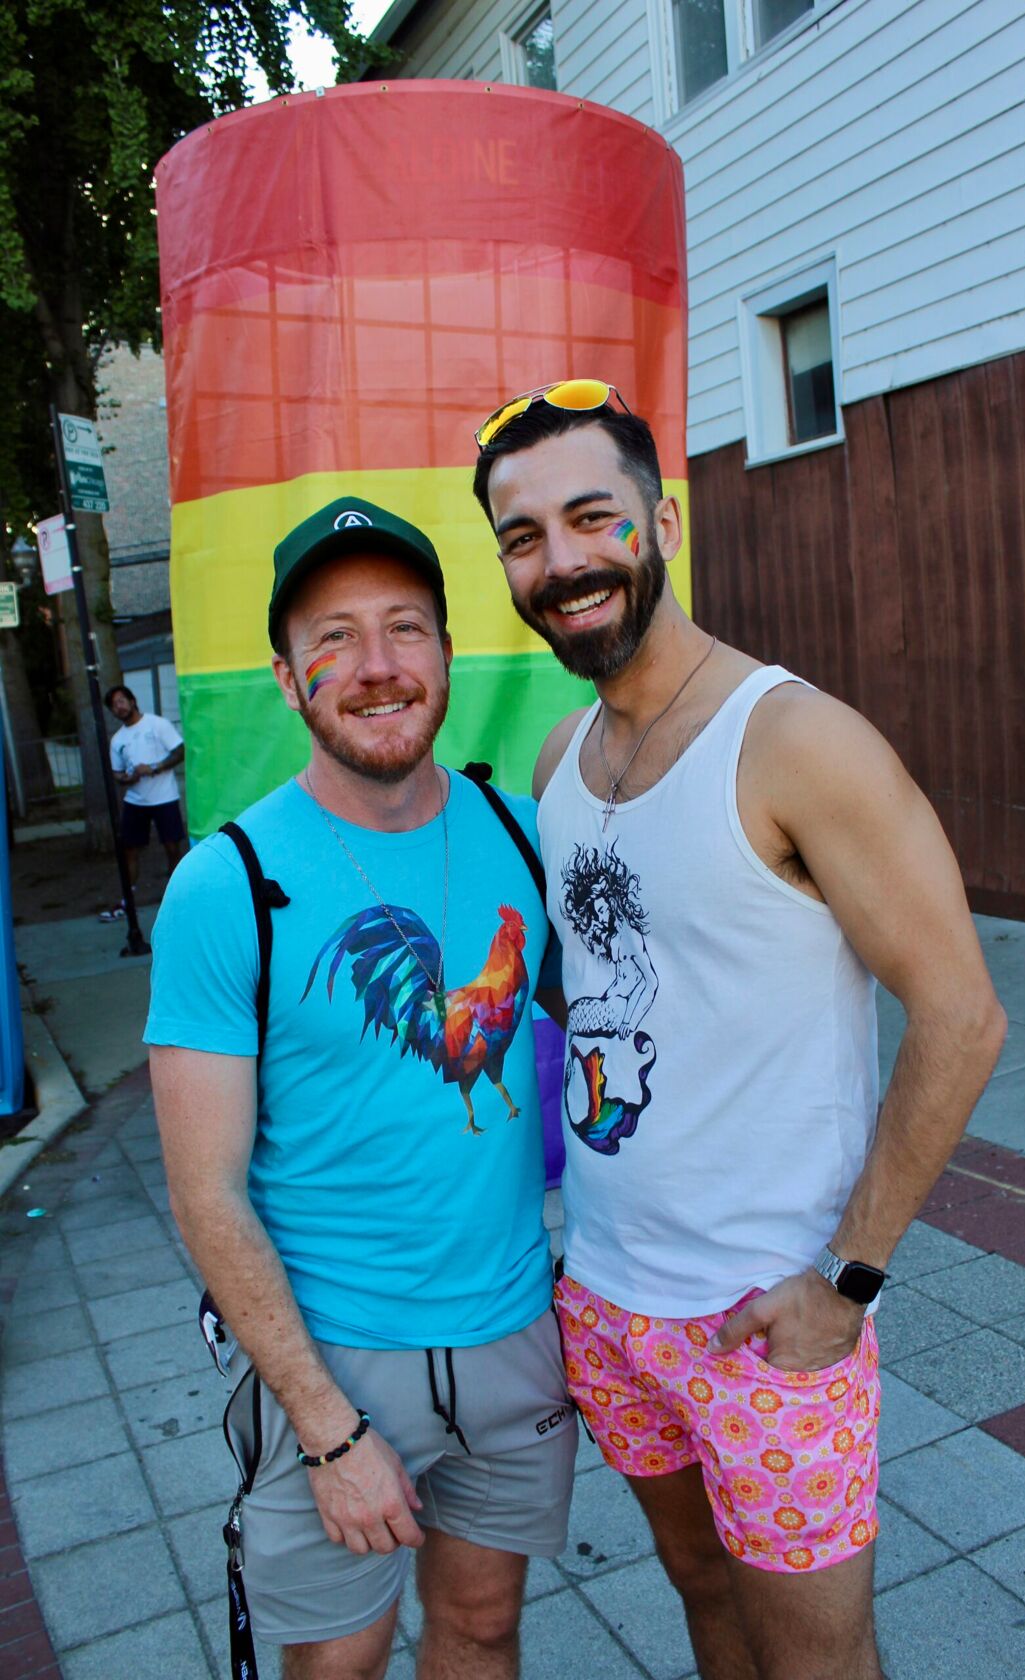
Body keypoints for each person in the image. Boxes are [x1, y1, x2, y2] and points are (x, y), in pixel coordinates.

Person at [472, 381, 1007, 1680]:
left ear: (660, 520)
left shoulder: (795, 743)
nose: (561, 561)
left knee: (817, 1662)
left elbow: (963, 1016)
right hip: (605, 1303)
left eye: (591, 517)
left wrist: (849, 1281)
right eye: (524, 537)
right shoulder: (556, 764)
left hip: (771, 1325)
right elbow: (602, 988)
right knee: (701, 1595)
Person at [145, 497, 576, 1680]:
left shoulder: (524, 831)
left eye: (405, 629)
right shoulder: (220, 886)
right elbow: (206, 1197)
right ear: (287, 677)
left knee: (485, 1628)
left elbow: (626, 1020)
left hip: (512, 1330)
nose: (375, 666)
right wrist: (328, 1431)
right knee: (338, 1663)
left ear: (445, 654)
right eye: (334, 637)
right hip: (332, 1356)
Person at [101, 684, 186, 916]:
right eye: (113, 705)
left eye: (121, 701)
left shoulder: (157, 724)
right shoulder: (118, 740)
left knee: (171, 847)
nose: (118, 707)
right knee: (130, 849)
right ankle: (127, 898)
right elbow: (118, 775)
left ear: (132, 700)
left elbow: (180, 751)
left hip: (164, 797)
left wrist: (154, 767)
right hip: (136, 801)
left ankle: (178, 897)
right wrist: (127, 778)